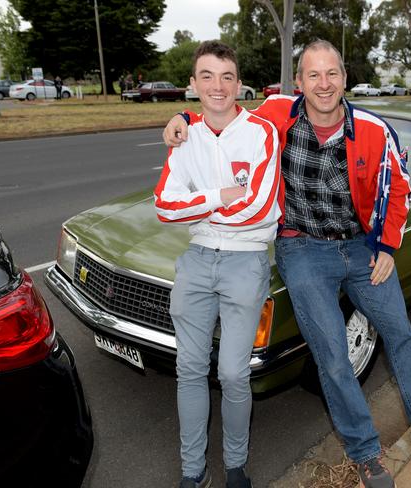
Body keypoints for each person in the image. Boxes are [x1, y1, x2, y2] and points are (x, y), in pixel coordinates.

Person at [163, 39, 411, 488]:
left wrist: (386, 246)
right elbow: (223, 113)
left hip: (361, 248)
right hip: (303, 248)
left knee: (402, 334)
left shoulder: (372, 128)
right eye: (313, 75)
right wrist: (183, 118)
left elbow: (399, 185)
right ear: (299, 82)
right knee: (331, 353)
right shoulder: (276, 115)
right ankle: (366, 454)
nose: (323, 84)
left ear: (344, 79)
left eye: (332, 74)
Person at [154, 40, 281, 488]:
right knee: (188, 369)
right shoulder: (186, 136)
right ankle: (193, 472)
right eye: (206, 76)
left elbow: (259, 207)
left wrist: (199, 205)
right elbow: (165, 208)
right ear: (193, 85)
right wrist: (217, 197)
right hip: (197, 258)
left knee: (231, 372)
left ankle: (235, 465)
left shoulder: (262, 132)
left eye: (226, 76)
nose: (217, 86)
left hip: (246, 261)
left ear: (239, 84)